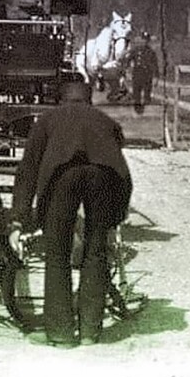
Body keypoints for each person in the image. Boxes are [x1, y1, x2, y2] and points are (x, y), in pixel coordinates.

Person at [9, 82, 132, 347]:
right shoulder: (105, 120)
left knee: (57, 253)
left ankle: (61, 333)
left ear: (60, 99)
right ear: (89, 101)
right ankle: (90, 331)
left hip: (62, 176)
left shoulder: (47, 119)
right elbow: (120, 167)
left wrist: (18, 219)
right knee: (97, 251)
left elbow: (28, 171)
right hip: (103, 178)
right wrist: (116, 215)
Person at [128, 31, 159, 113]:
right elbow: (128, 60)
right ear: (141, 40)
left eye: (146, 40)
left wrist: (156, 77)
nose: (144, 42)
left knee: (147, 94)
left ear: (148, 41)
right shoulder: (136, 50)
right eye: (143, 40)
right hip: (137, 73)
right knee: (136, 93)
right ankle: (137, 110)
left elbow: (155, 65)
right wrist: (126, 70)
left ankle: (147, 111)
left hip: (147, 74)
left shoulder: (151, 52)